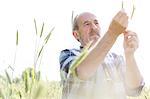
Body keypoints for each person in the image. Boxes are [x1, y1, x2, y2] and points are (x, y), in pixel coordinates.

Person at [59, 10, 144, 99]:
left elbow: (134, 89)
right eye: (87, 24)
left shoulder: (116, 59)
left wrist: (129, 55)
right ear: (76, 34)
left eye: (96, 23)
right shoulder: (68, 54)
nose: (94, 27)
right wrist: (112, 33)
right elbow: (81, 71)